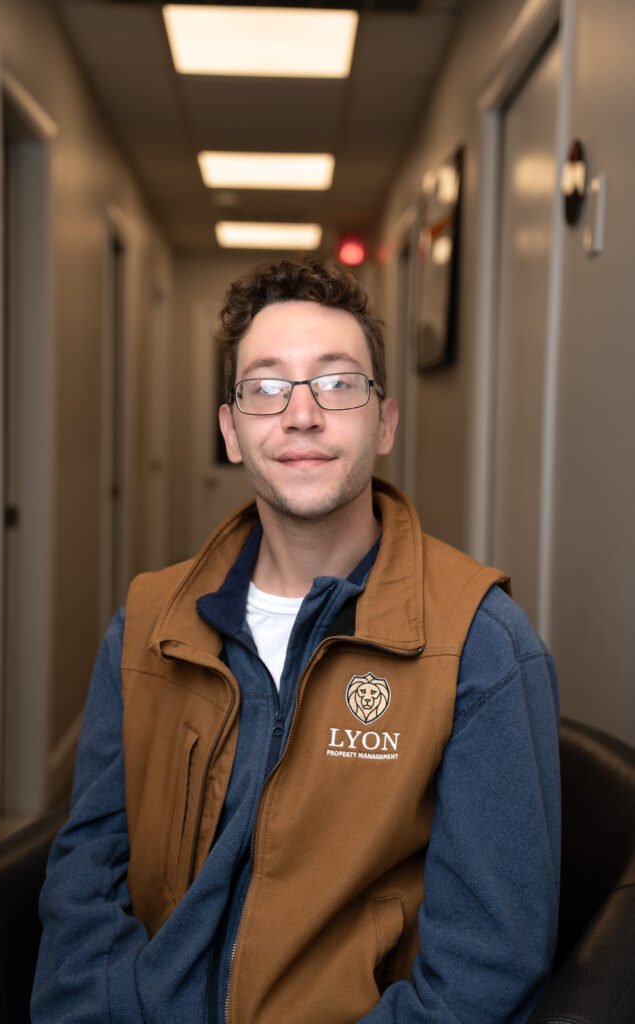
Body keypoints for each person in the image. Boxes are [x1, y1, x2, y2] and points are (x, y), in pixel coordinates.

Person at [32, 257, 560, 1024]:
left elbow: (487, 968)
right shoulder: (149, 622)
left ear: (383, 423)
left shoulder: (479, 643)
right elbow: (86, 877)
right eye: (266, 386)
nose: (302, 414)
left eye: (338, 382)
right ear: (231, 431)